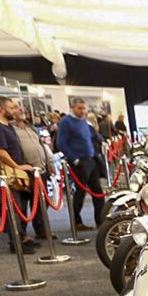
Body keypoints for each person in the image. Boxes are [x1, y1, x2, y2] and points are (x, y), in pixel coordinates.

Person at [0, 96, 39, 253]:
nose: (16, 110)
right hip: (4, 172)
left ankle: (22, 236)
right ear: (2, 109)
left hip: (13, 172)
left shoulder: (6, 125)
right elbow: (0, 151)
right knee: (13, 206)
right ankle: (15, 242)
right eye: (12, 108)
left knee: (20, 205)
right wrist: (17, 166)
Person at [56, 98, 105, 229]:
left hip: (91, 160)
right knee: (80, 193)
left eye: (84, 108)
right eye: (79, 108)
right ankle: (77, 222)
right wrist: (74, 159)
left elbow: (92, 136)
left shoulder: (83, 121)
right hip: (79, 162)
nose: (82, 111)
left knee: (98, 192)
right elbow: (61, 143)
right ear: (72, 108)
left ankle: (100, 222)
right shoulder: (66, 122)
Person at [11, 109, 53, 242]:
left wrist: (49, 163)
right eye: (15, 108)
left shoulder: (31, 127)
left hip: (40, 170)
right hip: (24, 171)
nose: (20, 110)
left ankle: (40, 230)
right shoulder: (10, 128)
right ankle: (22, 234)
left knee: (42, 202)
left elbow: (42, 145)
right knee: (22, 204)